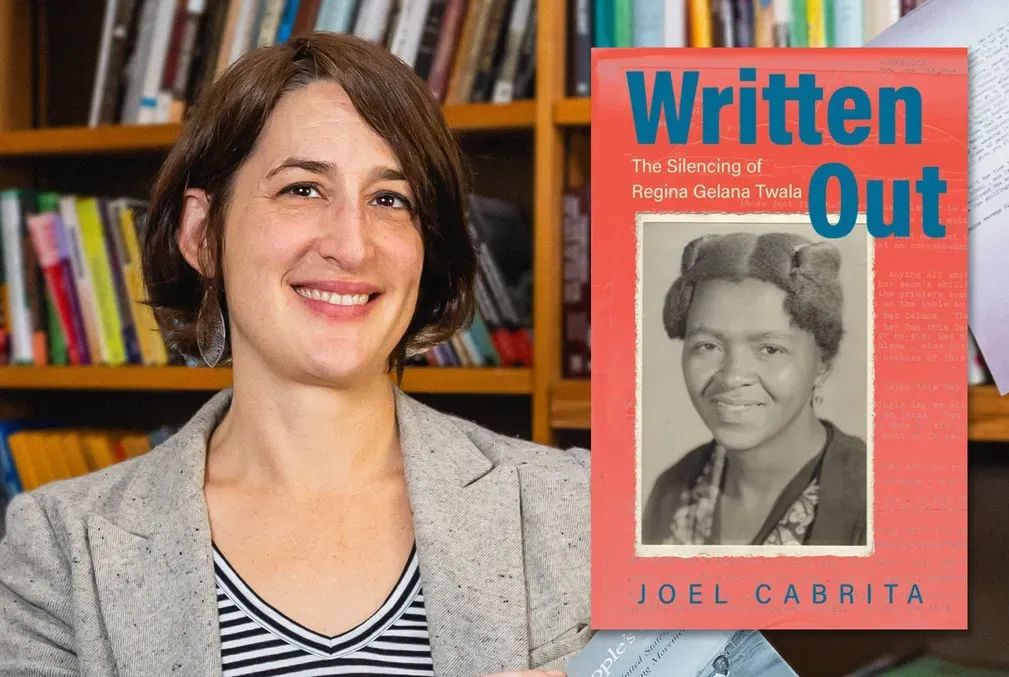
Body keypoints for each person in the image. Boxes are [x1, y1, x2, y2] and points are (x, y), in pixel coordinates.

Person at [0, 33, 590, 677]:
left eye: (390, 199)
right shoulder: (59, 547)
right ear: (202, 233)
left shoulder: (579, 505)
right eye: (303, 189)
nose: (352, 245)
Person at [642, 232, 867, 547]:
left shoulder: (873, 504)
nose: (732, 377)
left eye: (770, 349)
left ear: (823, 364)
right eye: (708, 345)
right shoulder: (671, 493)